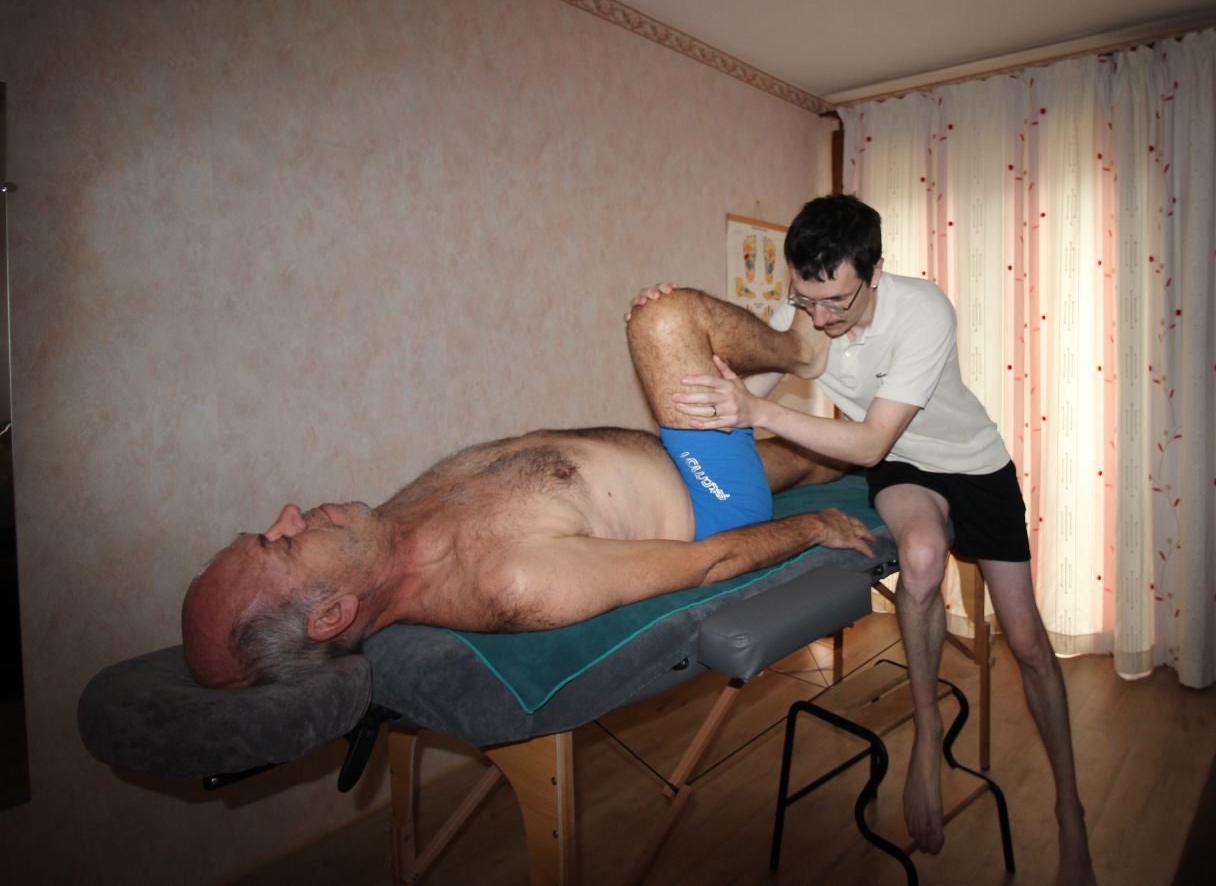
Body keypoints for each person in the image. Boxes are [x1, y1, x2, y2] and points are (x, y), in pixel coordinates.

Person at [645, 194, 1096, 885]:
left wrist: (759, 409)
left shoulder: (924, 311)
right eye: (805, 301)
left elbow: (867, 439)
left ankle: (1070, 811)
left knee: (1030, 643)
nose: (821, 319)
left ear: (875, 272)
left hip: (972, 463)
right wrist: (669, 325)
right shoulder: (806, 314)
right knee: (921, 556)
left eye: (836, 302)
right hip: (903, 467)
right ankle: (926, 734)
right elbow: (746, 388)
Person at [180, 288, 872, 690]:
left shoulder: (390, 527)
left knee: (823, 459)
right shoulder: (511, 583)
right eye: (283, 544)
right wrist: (815, 528)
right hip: (712, 502)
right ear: (331, 615)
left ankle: (891, 452)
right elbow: (707, 564)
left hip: (675, 458)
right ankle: (804, 351)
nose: (291, 514)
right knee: (664, 321)